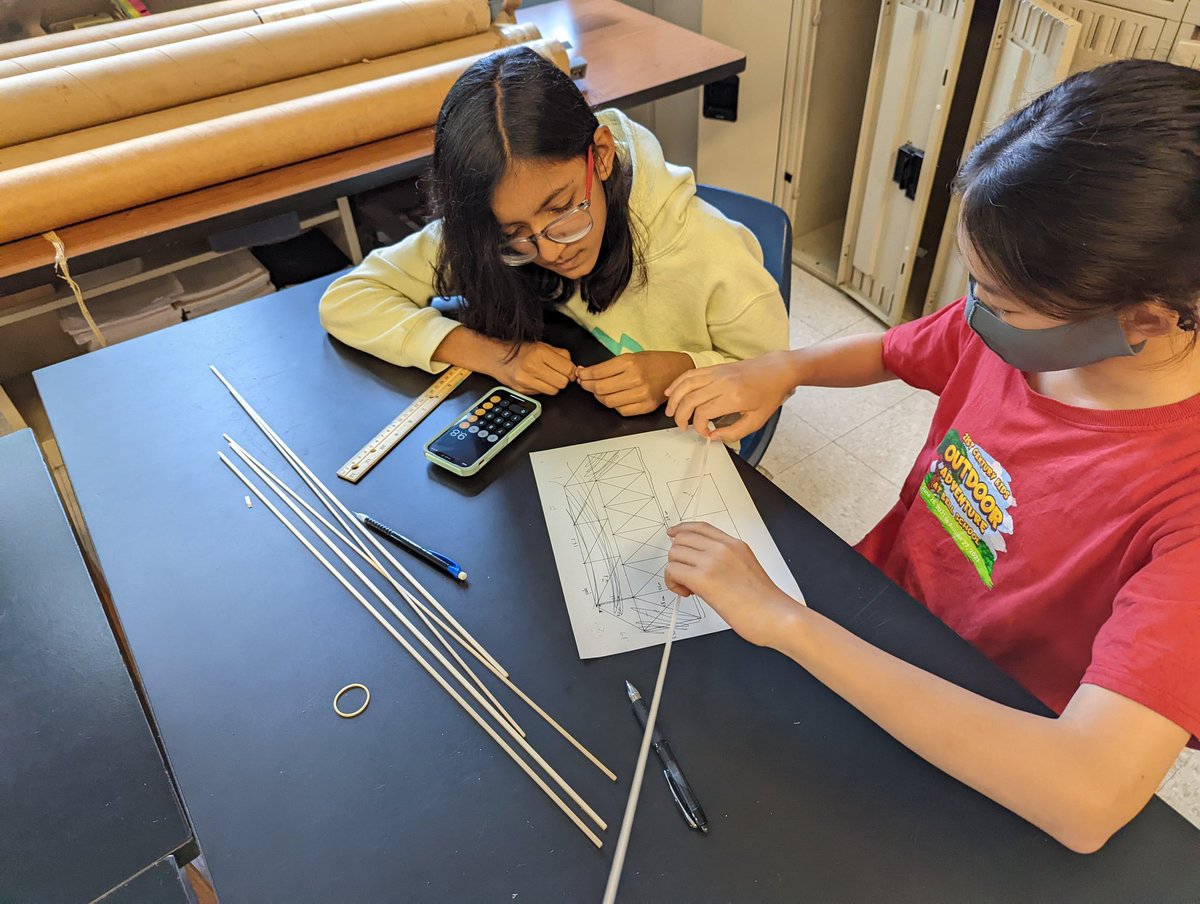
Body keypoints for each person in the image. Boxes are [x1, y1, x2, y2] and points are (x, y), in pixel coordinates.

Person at [661, 59, 1200, 853]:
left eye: (1003, 301)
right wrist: (791, 367)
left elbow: (1086, 796)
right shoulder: (1024, 332)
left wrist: (784, 620)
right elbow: (892, 350)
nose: (976, 312)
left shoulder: (1181, 499)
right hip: (882, 608)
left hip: (994, 724)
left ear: (1146, 319)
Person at [319, 47, 787, 416]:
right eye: (514, 233)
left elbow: (775, 375)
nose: (547, 250)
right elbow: (348, 299)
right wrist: (491, 353)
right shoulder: (487, 233)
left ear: (601, 156)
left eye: (562, 210)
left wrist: (681, 370)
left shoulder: (711, 254)